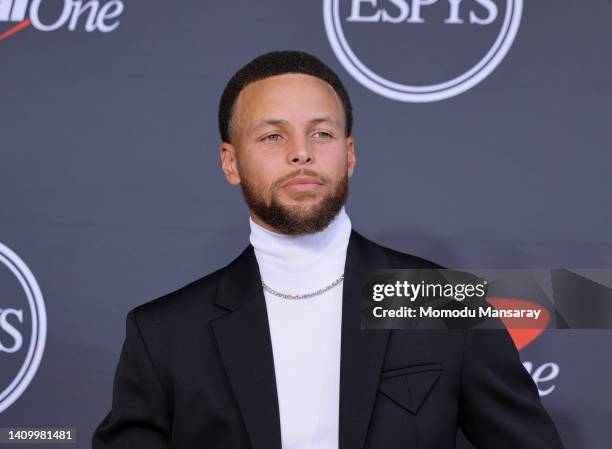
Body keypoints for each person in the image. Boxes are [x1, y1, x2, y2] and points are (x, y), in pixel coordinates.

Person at [91, 50, 565, 449]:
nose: (302, 152)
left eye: (321, 133)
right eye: (273, 135)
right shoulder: (164, 334)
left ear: (350, 153)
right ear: (230, 162)